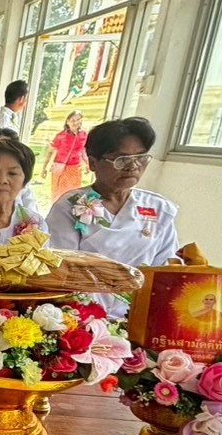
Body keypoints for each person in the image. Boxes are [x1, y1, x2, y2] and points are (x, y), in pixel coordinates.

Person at [45, 117, 179, 317]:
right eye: (121, 159)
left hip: (140, 315)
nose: (132, 166)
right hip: (83, 314)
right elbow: (61, 269)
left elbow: (167, 270)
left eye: (140, 158)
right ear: (93, 162)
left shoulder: (158, 208)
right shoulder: (70, 206)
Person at [41, 110, 88, 203]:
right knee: (59, 195)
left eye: (78, 119)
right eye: (72, 120)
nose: (75, 122)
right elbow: (49, 152)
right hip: (60, 169)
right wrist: (44, 169)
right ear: (67, 121)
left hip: (75, 169)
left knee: (73, 195)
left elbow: (83, 151)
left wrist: (87, 164)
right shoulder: (60, 136)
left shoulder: (83, 135)